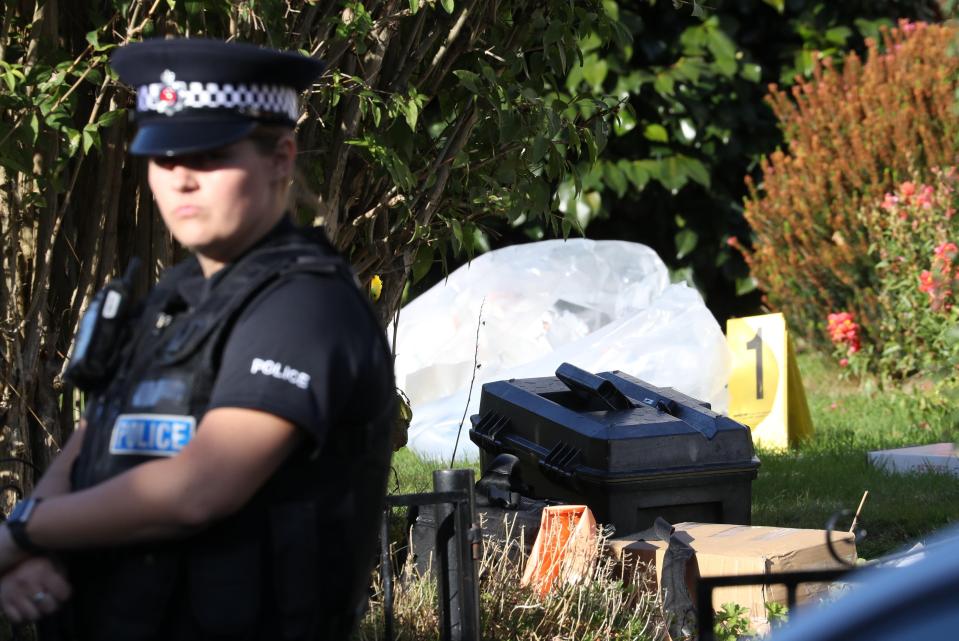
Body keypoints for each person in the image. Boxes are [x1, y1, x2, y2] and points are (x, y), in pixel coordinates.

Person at [0, 38, 395, 641]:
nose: (181, 179)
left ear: (281, 158)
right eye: (163, 158)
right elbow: (90, 444)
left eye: (209, 156)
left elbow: (198, 488)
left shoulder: (305, 308)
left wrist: (24, 532)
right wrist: (40, 551)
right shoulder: (172, 299)